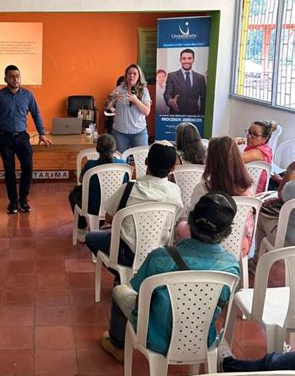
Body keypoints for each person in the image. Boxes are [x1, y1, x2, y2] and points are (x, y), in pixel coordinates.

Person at [100, 192, 241, 363]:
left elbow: (139, 295)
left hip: (155, 338)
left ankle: (116, 344)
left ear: (189, 220)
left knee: (120, 290)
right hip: (203, 341)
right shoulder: (231, 268)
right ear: (228, 231)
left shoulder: (160, 257)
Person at [85, 141, 182, 272]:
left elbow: (108, 217)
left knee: (91, 237)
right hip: (158, 253)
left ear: (146, 161)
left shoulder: (129, 188)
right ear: (173, 168)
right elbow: (175, 220)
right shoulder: (175, 191)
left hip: (127, 253)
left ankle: (121, 275)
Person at [0, 64, 52, 214]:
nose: (15, 79)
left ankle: (24, 200)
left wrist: (42, 133)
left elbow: (36, 114)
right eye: (11, 76)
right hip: (5, 138)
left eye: (17, 76)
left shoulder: (28, 95)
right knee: (9, 171)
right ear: (5, 79)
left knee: (27, 168)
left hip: (22, 137)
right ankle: (13, 202)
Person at [176, 136, 254, 254]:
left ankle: (189, 261)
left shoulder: (203, 188)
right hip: (239, 246)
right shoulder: (249, 186)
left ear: (211, 160)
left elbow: (191, 217)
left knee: (180, 225)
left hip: (205, 243)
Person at [69, 133, 128, 231]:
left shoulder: (90, 165)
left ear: (97, 149)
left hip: (93, 207)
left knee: (73, 195)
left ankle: (82, 227)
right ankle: (100, 223)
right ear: (115, 148)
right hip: (116, 205)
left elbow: (81, 180)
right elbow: (126, 183)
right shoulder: (123, 165)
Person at [105, 63, 151, 153]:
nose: (131, 76)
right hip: (120, 132)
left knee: (141, 161)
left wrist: (136, 101)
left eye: (134, 74)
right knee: (121, 162)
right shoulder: (119, 89)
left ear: (139, 76)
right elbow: (107, 107)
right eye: (129, 73)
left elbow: (146, 112)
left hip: (139, 132)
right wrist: (112, 98)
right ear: (126, 76)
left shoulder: (144, 91)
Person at [235, 120, 277, 193]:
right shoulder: (265, 148)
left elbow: (230, 159)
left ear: (265, 139)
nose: (249, 136)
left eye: (255, 135)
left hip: (250, 193)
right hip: (246, 189)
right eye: (249, 132)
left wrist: (234, 142)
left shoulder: (258, 153)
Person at [164, 48, 206, 115]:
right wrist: (170, 101)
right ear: (180, 60)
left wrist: (202, 116)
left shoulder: (200, 78)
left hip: (194, 116)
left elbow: (204, 99)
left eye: (189, 58)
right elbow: (167, 94)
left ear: (193, 60)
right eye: (184, 58)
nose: (186, 61)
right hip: (175, 115)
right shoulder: (172, 76)